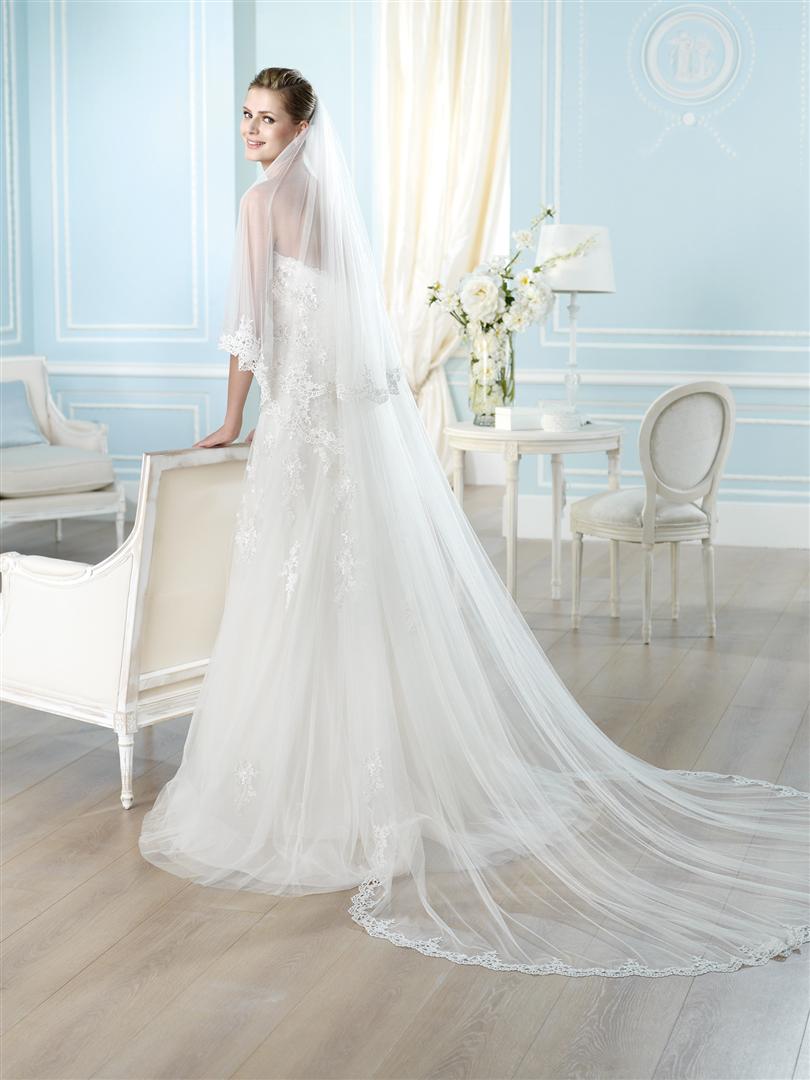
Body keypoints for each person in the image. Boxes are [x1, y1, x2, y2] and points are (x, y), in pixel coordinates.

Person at [139, 67, 809, 978]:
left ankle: (314, 793)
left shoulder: (263, 202)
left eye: (266, 119)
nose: (252, 131)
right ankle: (385, 778)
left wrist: (232, 420)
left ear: (299, 128)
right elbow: (346, 327)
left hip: (301, 426)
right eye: (246, 117)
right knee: (356, 592)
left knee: (296, 594)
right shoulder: (328, 203)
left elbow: (251, 329)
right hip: (346, 424)